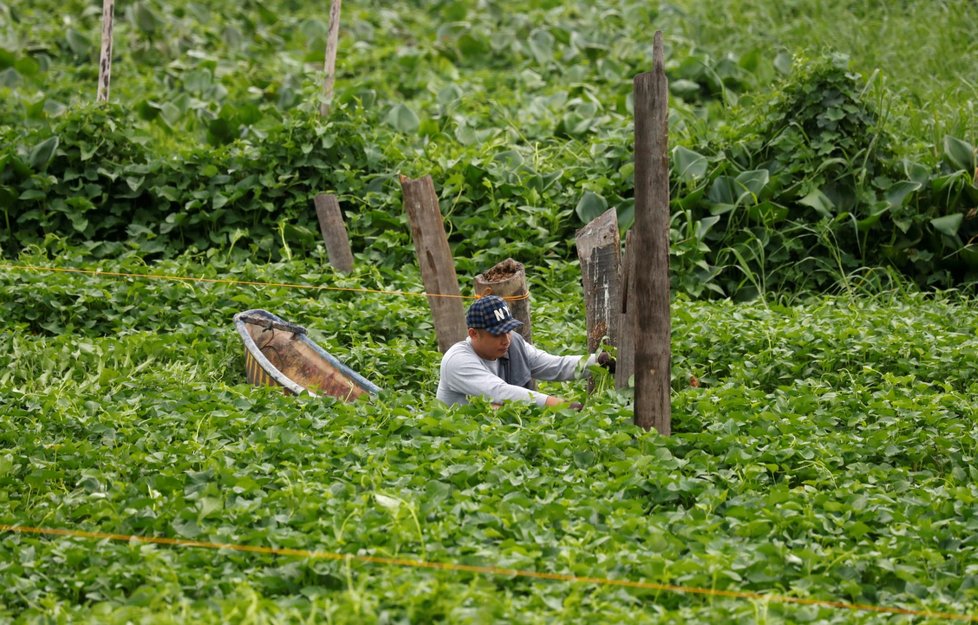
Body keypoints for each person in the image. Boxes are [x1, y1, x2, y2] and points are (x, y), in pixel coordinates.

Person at [435, 295, 615, 408]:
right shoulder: (457, 361)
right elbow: (500, 392)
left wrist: (599, 361)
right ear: (473, 334)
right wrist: (557, 404)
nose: (506, 339)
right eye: (497, 333)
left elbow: (555, 365)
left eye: (508, 330)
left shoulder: (513, 345)